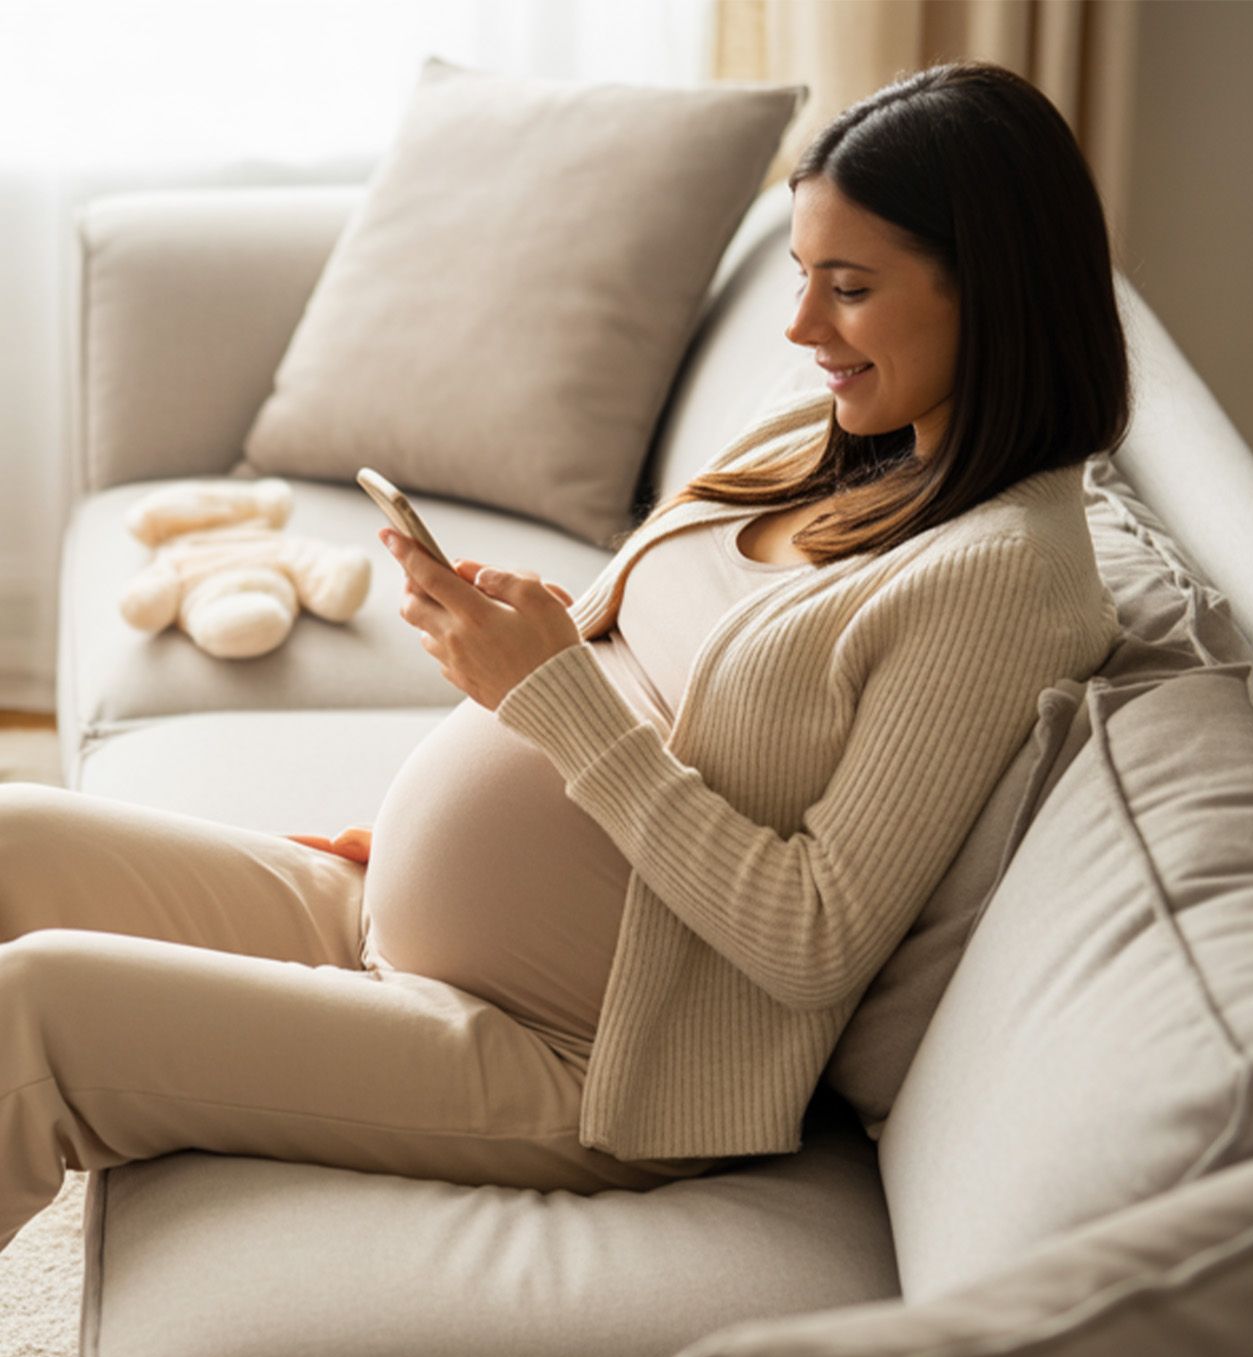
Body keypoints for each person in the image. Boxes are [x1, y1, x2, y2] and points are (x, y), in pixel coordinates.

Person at [0, 59, 1128, 1254]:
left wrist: (547, 702)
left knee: (40, 1013)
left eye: (847, 289)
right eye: (802, 277)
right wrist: (452, 788)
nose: (801, 330)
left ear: (994, 294)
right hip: (402, 921)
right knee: (15, 832)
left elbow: (814, 935)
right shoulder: (837, 431)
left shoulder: (1004, 579)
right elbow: (620, 670)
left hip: (580, 1058)